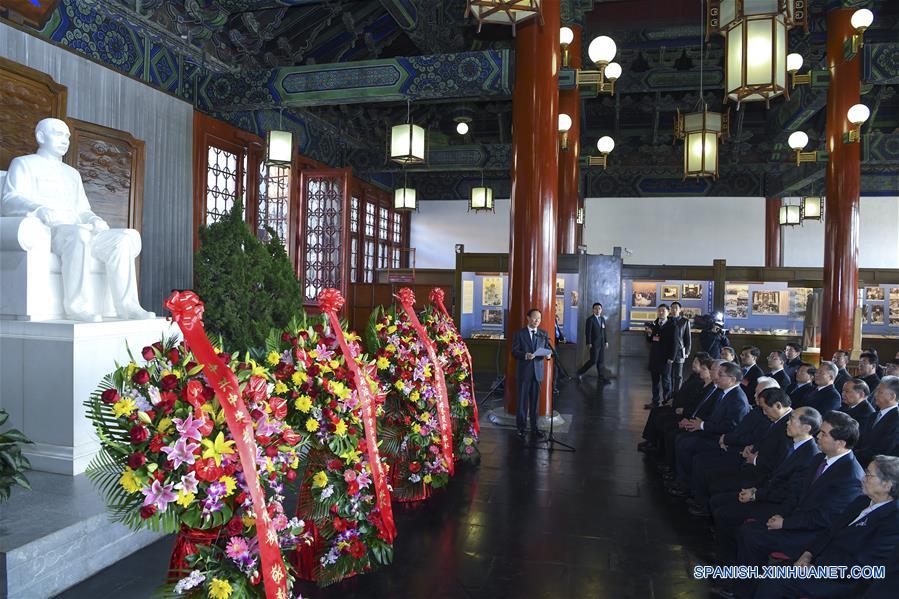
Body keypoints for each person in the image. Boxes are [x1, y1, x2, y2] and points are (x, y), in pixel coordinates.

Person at [1, 118, 154, 321]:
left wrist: (94, 219)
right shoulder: (24, 164)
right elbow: (10, 200)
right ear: (40, 136)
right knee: (78, 235)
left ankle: (128, 305)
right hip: (50, 232)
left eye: (67, 136)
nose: (65, 140)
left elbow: (83, 209)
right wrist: (38, 210)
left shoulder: (71, 174)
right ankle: (77, 305)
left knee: (124, 238)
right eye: (58, 134)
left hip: (80, 230)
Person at [734, 411, 864, 573]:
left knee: (752, 536)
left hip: (812, 535)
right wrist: (782, 515)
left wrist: (785, 523)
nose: (817, 436)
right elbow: (796, 493)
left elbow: (824, 518)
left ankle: (746, 590)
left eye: (823, 434)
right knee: (747, 530)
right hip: (797, 520)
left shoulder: (850, 476)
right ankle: (746, 582)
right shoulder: (820, 459)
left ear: (840, 443)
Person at [753, 456, 899, 599]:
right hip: (821, 562)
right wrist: (808, 554)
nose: (863, 478)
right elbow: (830, 531)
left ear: (887, 485)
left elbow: (862, 566)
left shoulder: (893, 521)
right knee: (773, 571)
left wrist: (818, 570)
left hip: (842, 580)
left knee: (775, 580)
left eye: (868, 475)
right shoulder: (862, 501)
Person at [710, 407, 822, 566]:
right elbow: (774, 475)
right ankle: (728, 554)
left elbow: (789, 493)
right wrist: (754, 490)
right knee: (719, 502)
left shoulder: (809, 456)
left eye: (792, 419)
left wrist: (756, 495)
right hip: (767, 493)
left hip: (778, 506)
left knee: (726, 514)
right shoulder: (793, 444)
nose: (787, 423)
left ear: (806, 428)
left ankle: (730, 565)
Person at [511, 309, 552, 440]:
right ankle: (521, 428)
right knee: (522, 402)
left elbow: (547, 350)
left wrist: (548, 354)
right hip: (524, 372)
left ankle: (535, 428)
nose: (537, 321)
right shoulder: (519, 334)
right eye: (534, 318)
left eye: (539, 319)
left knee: (535, 403)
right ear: (528, 318)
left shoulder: (543, 334)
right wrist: (524, 355)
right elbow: (514, 351)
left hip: (537, 373)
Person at [854, 377, 899, 468]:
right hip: (861, 461)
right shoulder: (873, 415)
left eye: (879, 392)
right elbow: (862, 441)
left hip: (880, 468)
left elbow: (883, 450)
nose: (875, 395)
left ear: (892, 396)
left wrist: (853, 455)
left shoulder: (896, 419)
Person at [645, 304, 675, 409]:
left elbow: (674, 343)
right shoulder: (655, 324)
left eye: (663, 311)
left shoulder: (672, 325)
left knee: (666, 382)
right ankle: (655, 401)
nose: (661, 312)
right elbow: (650, 340)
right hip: (655, 357)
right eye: (659, 311)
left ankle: (667, 402)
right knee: (655, 382)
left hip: (666, 359)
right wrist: (649, 334)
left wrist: (672, 357)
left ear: (668, 312)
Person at [576, 302, 608, 382]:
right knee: (593, 360)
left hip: (601, 343)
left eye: (599, 309)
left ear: (601, 310)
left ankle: (601, 377)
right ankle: (580, 372)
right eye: (596, 309)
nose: (598, 310)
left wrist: (606, 341)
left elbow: (604, 331)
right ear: (593, 310)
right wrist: (588, 343)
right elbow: (588, 332)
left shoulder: (602, 319)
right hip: (594, 344)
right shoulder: (590, 320)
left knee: (601, 361)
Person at [667, 301, 693, 399]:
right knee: (668, 375)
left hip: (679, 351)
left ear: (680, 309)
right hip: (668, 351)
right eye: (672, 308)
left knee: (678, 375)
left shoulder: (685, 321)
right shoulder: (668, 320)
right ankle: (668, 395)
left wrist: (687, 351)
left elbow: (688, 338)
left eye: (676, 308)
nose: (674, 310)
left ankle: (676, 395)